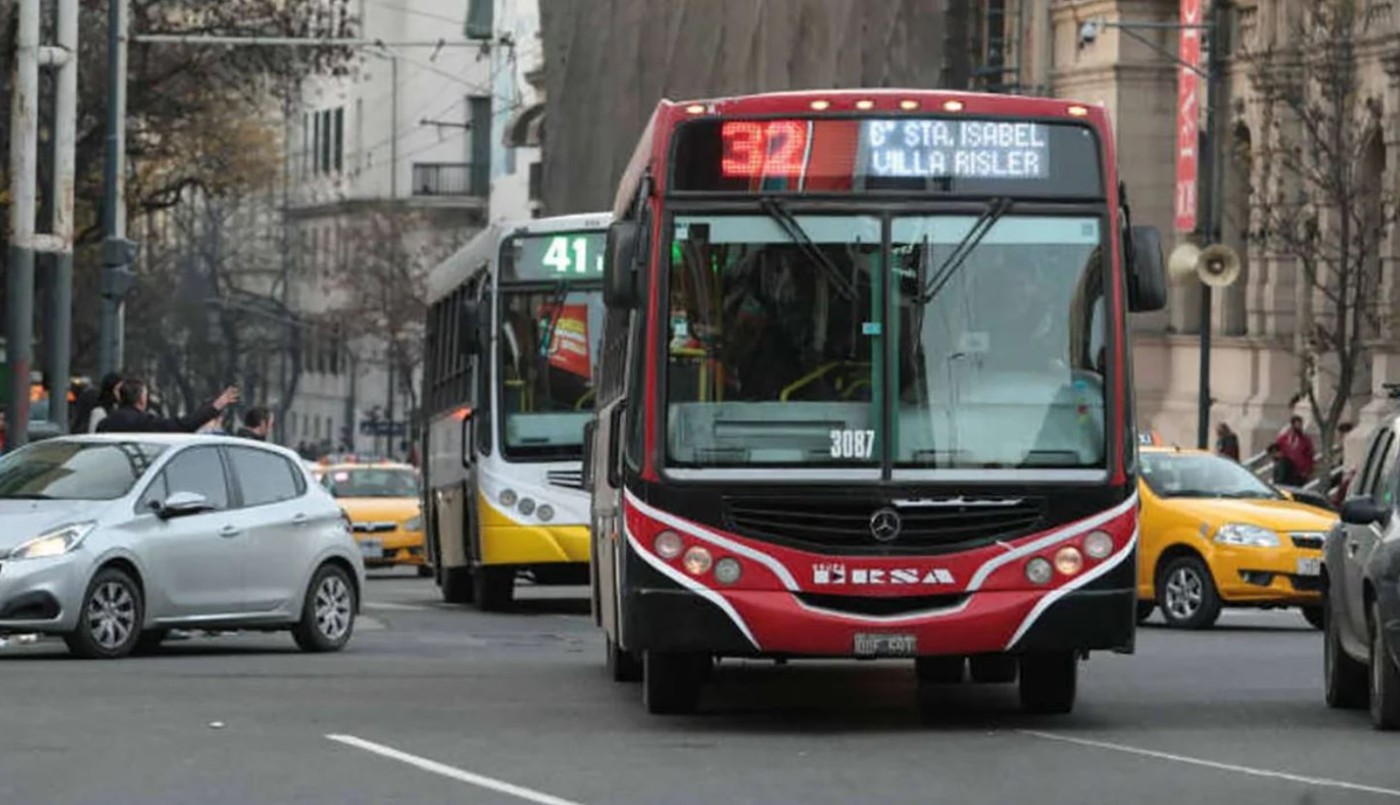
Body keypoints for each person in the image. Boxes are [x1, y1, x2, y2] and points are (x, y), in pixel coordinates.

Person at [96, 378, 238, 434]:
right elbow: (183, 425)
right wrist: (216, 406)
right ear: (141, 400)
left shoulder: (103, 424)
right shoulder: (143, 422)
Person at [1276, 415, 1315, 483]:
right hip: (1285, 472)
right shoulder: (1283, 439)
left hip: (1298, 473)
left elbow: (1310, 456)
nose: (1298, 427)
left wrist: (1307, 471)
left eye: (1299, 425)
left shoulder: (1305, 440)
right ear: (1292, 425)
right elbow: (1276, 451)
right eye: (1296, 425)